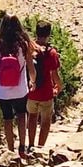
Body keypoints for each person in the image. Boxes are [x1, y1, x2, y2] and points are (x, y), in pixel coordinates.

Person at [0, 12, 35, 157]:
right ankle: (22, 147)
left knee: (7, 118)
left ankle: (10, 150)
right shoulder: (24, 45)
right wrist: (32, 82)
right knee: (21, 115)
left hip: (2, 90)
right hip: (20, 89)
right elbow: (31, 68)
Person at [25, 21, 61, 149]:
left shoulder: (30, 49)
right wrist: (59, 87)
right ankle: (40, 147)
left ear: (36, 32)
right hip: (46, 92)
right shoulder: (51, 52)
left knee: (32, 117)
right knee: (46, 120)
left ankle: (31, 145)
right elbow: (55, 75)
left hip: (32, 91)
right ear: (49, 34)